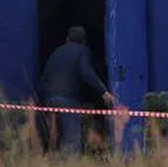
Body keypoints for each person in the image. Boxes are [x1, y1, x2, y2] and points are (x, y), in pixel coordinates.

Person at [37, 26, 115, 155]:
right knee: (72, 138)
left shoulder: (57, 52)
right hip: (67, 100)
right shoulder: (83, 51)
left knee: (54, 138)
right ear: (84, 41)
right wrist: (104, 91)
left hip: (48, 100)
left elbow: (44, 77)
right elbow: (86, 72)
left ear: (67, 39)